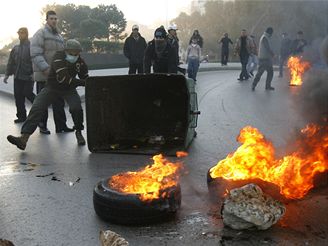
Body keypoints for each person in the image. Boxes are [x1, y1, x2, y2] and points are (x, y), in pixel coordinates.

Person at [7, 39, 89, 150]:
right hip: (52, 87)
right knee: (37, 107)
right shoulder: (58, 57)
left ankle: (79, 132)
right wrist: (84, 83)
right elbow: (64, 78)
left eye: (76, 53)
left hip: (69, 89)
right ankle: (23, 138)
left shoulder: (80, 62)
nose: (74, 55)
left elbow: (85, 77)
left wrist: (90, 82)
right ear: (65, 51)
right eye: (71, 53)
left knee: (76, 108)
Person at [30, 10, 73, 134]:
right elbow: (35, 53)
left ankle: (61, 126)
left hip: (57, 76)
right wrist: (45, 68)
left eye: (55, 18)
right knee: (42, 103)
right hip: (45, 75)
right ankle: (42, 125)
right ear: (47, 20)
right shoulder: (41, 33)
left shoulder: (59, 37)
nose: (54, 21)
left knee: (59, 102)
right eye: (51, 18)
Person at [3, 27, 35, 123]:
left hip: (28, 77)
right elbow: (10, 62)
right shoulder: (15, 48)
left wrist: (34, 74)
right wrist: (7, 75)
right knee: (18, 97)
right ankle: (21, 117)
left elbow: (35, 61)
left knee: (28, 93)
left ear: (26, 34)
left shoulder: (31, 47)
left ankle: (40, 109)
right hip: (17, 77)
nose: (20, 35)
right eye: (19, 33)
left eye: (22, 33)